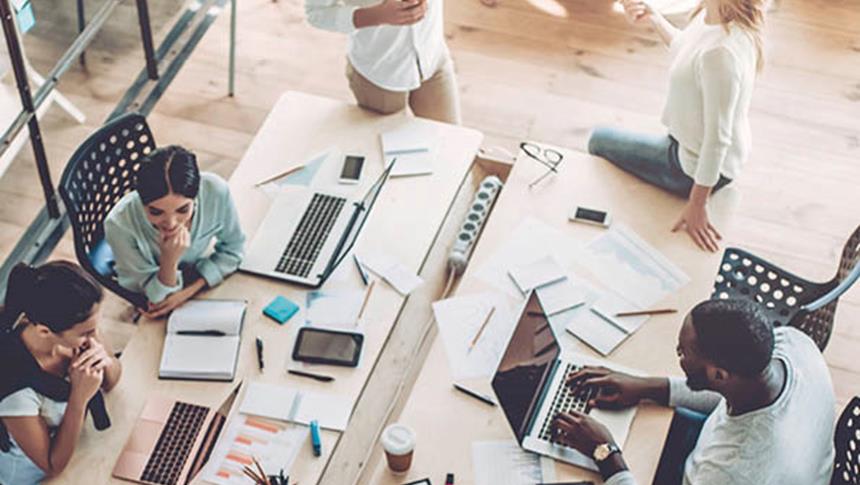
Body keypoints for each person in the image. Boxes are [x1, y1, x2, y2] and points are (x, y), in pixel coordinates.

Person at [551, 299, 835, 485]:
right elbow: (730, 391)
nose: (678, 354)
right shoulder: (793, 346)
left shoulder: (730, 471)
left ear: (719, 374)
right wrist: (647, 386)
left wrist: (605, 453)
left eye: (683, 352)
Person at [588, 0, 765, 252]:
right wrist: (655, 18)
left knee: (598, 140)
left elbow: (717, 141)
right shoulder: (716, 16)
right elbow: (688, 50)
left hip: (689, 167)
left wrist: (696, 204)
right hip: (699, 145)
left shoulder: (720, 56)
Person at [0, 261, 121, 484]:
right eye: (87, 333)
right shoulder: (15, 386)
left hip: (79, 447)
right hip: (36, 477)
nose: (94, 337)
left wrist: (104, 359)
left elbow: (111, 381)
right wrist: (79, 397)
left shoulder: (76, 327)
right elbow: (51, 465)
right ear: (45, 331)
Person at [105, 145, 245, 318]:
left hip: (192, 281)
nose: (171, 224)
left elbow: (235, 249)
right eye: (156, 212)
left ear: (196, 196)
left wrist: (188, 292)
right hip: (150, 287)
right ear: (141, 201)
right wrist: (169, 260)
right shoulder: (119, 225)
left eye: (183, 210)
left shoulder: (215, 191)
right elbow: (157, 299)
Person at [305, 0, 462, 124]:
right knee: (388, 156)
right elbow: (317, 13)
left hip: (433, 59)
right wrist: (377, 15)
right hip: (379, 76)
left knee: (450, 147)